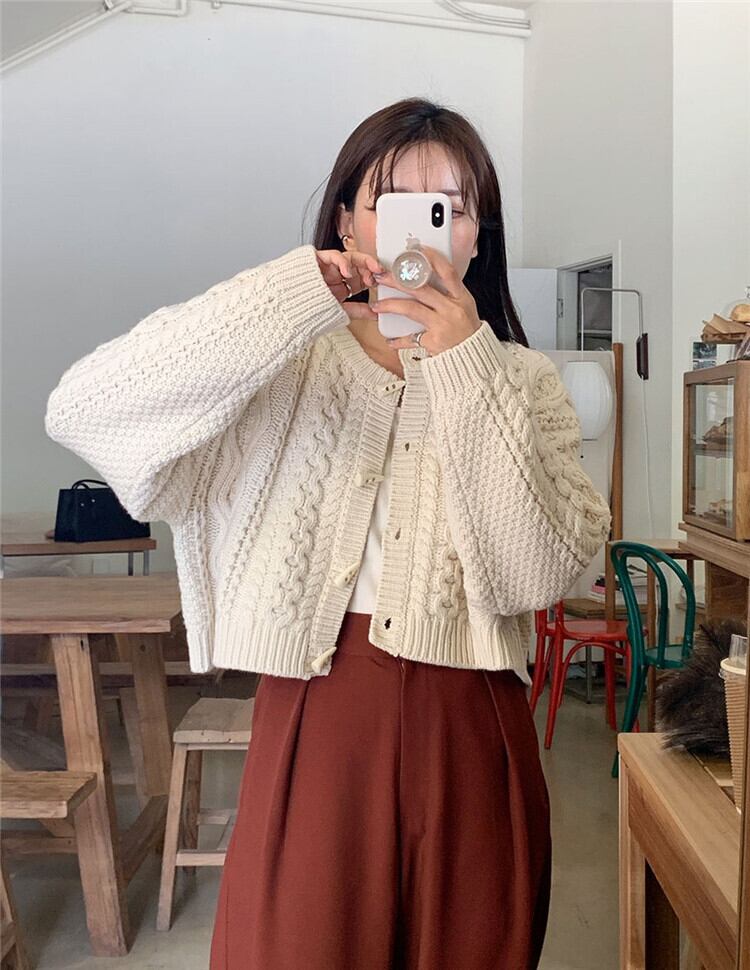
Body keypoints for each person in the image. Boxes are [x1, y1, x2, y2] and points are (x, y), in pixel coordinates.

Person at [44, 97, 612, 969]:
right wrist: (295, 293)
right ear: (348, 220)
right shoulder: (280, 364)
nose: (425, 225)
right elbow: (86, 410)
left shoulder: (524, 381)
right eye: (394, 201)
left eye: (452, 207)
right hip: (315, 714)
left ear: (475, 239)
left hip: (474, 724)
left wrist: (467, 363)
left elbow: (539, 572)